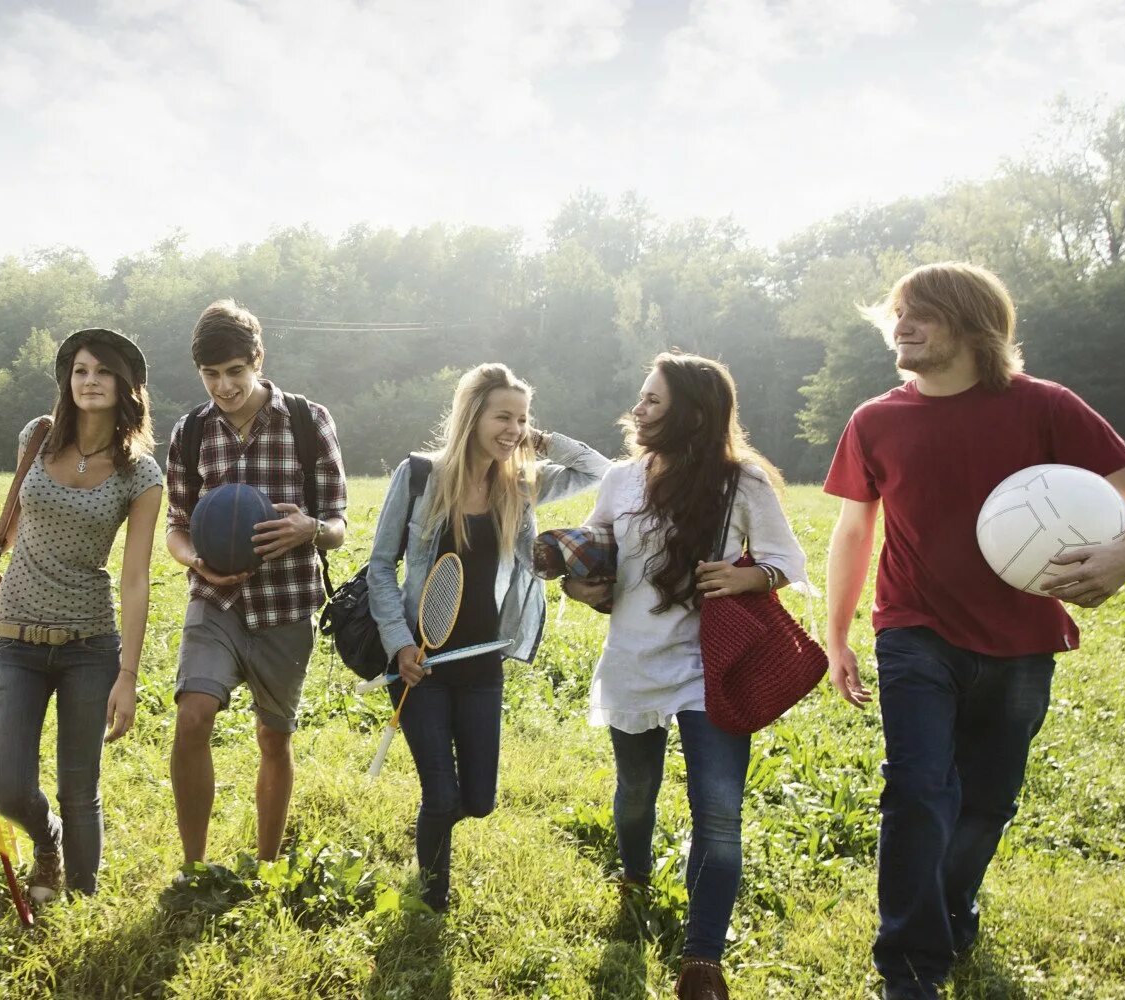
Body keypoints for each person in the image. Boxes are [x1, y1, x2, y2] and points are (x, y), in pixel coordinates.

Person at [820, 262, 1125, 1000]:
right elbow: (854, 532)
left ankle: (951, 906)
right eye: (898, 312)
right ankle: (910, 967)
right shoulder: (876, 420)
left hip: (1023, 640)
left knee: (988, 801)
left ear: (972, 326)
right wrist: (838, 636)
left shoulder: (1044, 406)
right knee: (918, 790)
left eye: (922, 313)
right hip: (914, 630)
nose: (903, 325)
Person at [562, 352, 809, 1000]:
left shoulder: (742, 482)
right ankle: (635, 877)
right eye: (641, 398)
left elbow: (789, 559)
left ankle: (703, 961)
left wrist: (749, 574)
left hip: (710, 664)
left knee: (718, 815)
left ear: (692, 415)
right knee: (636, 792)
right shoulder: (620, 480)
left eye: (651, 401)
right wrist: (579, 582)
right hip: (634, 662)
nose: (636, 411)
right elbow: (590, 557)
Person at [0, 328, 162, 903]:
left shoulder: (142, 474)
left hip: (89, 643)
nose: (90, 381)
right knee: (8, 787)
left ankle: (81, 900)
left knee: (80, 786)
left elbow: (134, 580)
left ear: (127, 385)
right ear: (68, 379)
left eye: (103, 372)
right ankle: (46, 840)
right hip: (14, 638)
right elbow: (8, 525)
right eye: (80, 370)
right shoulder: (37, 439)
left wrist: (128, 676)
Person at [367, 363, 608, 913]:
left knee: (478, 801)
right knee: (442, 793)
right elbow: (381, 568)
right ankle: (431, 899)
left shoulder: (521, 481)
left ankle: (432, 838)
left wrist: (541, 440)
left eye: (523, 418)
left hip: (482, 665)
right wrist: (400, 643)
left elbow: (598, 469)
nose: (515, 428)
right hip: (420, 665)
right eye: (504, 416)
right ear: (473, 414)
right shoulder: (420, 476)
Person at [164, 299, 348, 875]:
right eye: (212, 375)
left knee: (274, 738)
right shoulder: (191, 432)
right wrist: (198, 562)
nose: (224, 386)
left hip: (286, 605)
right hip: (214, 601)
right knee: (192, 716)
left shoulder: (307, 421)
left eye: (235, 373)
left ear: (258, 360)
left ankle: (265, 867)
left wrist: (309, 528)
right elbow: (175, 527)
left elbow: (340, 526)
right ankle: (193, 868)